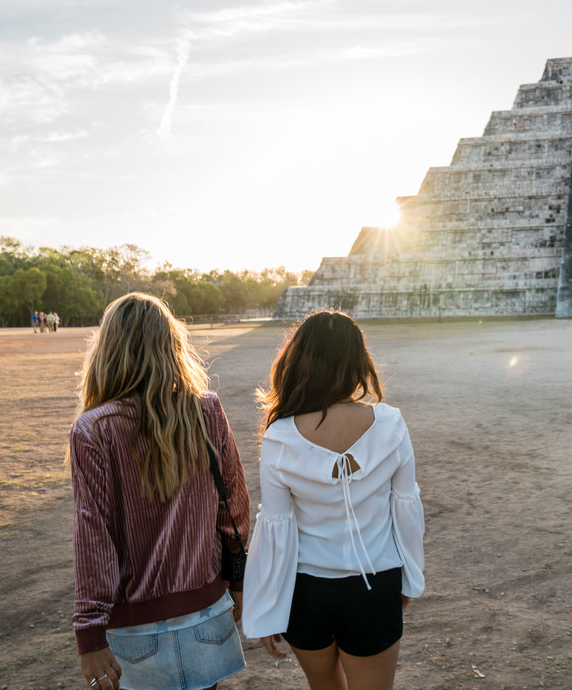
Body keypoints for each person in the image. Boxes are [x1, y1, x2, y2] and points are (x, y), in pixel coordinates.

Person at [69, 292, 250, 690]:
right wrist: (238, 582)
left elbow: (94, 538)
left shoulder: (94, 429)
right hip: (207, 613)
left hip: (136, 629)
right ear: (172, 345)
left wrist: (90, 633)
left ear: (107, 350)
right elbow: (232, 507)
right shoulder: (206, 409)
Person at [242, 309, 424, 690]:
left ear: (298, 361)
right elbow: (406, 507)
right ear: (357, 361)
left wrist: (267, 608)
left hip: (307, 593)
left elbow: (275, 529)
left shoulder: (279, 436)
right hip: (376, 584)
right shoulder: (390, 423)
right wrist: (408, 579)